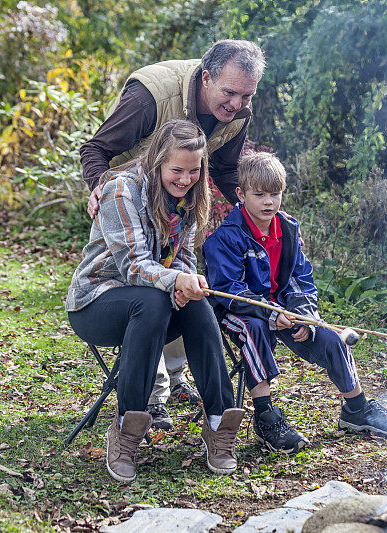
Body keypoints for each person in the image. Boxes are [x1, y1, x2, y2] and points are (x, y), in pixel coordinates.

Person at [79, 40, 266, 426]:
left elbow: (228, 171)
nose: (236, 104)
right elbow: (96, 148)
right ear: (206, 77)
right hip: (126, 202)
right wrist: (102, 187)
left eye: (246, 95)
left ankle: (211, 413)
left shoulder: (236, 115)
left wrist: (254, 216)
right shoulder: (150, 97)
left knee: (186, 290)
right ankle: (143, 405)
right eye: (229, 93)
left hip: (171, 210)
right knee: (149, 293)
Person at [66, 120, 245, 482]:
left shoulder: (190, 199)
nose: (185, 179)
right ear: (157, 161)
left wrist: (186, 284)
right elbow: (133, 267)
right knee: (150, 299)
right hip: (96, 303)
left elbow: (182, 260)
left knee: (196, 303)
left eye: (194, 171)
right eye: (177, 170)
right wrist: (176, 280)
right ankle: (125, 430)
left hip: (154, 306)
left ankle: (218, 421)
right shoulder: (121, 190)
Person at [202, 152, 387, 454]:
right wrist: (272, 315)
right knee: (255, 328)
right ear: (241, 193)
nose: (268, 202)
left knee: (328, 336)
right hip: (235, 311)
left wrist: (302, 315)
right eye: (259, 194)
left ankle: (356, 408)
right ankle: (266, 415)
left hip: (284, 308)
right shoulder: (225, 238)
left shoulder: (288, 228)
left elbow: (301, 278)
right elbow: (228, 290)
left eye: (275, 194)